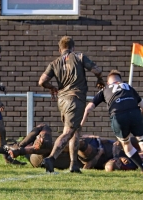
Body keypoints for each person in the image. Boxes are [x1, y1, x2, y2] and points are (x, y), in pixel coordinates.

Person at [38, 35, 105, 173]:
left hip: (62, 100)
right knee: (69, 131)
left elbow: (42, 81)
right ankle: (51, 158)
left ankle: (74, 165)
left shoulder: (54, 63)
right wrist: (100, 79)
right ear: (73, 47)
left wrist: (52, 87)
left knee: (75, 131)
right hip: (75, 99)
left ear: (60, 49)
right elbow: (97, 70)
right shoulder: (79, 57)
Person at [81, 69, 143, 173]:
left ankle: (141, 167)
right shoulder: (128, 87)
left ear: (108, 82)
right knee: (141, 139)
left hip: (118, 116)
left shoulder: (105, 89)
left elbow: (88, 108)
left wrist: (81, 123)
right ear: (120, 80)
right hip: (134, 113)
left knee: (126, 145)